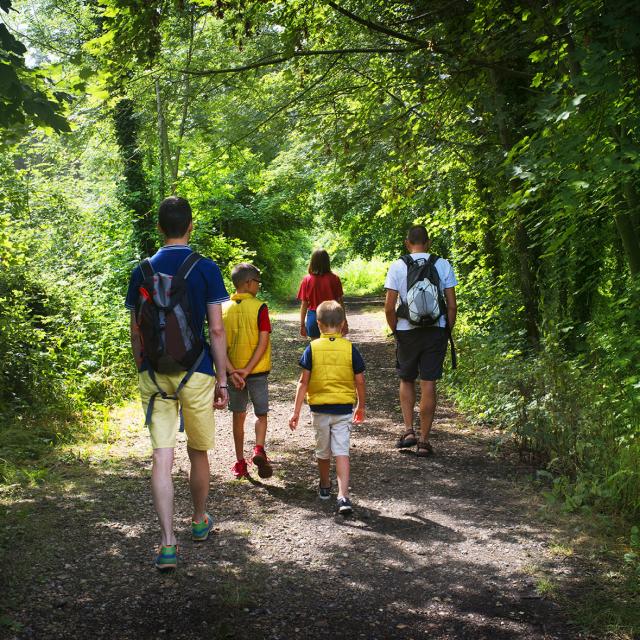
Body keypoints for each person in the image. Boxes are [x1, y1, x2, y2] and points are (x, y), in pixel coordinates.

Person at [125, 196, 229, 571]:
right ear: (190, 226)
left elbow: (137, 330)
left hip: (154, 375)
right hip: (196, 371)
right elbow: (216, 329)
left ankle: (167, 544)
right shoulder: (205, 268)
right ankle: (199, 521)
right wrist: (222, 378)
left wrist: (143, 366)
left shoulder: (141, 270)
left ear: (158, 228)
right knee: (198, 452)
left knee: (161, 457)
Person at [384, 224, 457, 457]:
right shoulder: (443, 264)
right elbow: (452, 305)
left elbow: (389, 306)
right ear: (429, 242)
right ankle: (424, 441)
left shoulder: (398, 266)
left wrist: (396, 329)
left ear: (407, 243)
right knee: (429, 382)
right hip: (436, 331)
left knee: (406, 379)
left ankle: (408, 431)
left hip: (407, 330)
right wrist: (446, 330)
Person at [289, 300, 366, 515]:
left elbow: (303, 382)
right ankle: (343, 496)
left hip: (320, 409)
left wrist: (295, 412)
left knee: (323, 451)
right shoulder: (350, 349)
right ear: (343, 324)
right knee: (342, 452)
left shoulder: (312, 348)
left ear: (319, 324)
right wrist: (361, 405)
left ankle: (325, 485)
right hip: (343, 409)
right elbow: (359, 381)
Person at [222, 263, 273, 480]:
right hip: (257, 372)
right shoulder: (260, 307)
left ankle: (240, 462)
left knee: (238, 415)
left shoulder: (222, 308)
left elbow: (218, 343)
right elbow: (263, 342)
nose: (258, 287)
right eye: (258, 282)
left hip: (232, 374)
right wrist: (247, 370)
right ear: (249, 283)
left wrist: (233, 372)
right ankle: (259, 449)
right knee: (260, 413)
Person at [297, 249, 347, 339]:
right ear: (327, 262)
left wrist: (302, 325)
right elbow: (340, 302)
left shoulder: (307, 280)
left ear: (312, 262)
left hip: (314, 317)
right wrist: (344, 321)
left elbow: (304, 304)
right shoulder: (335, 279)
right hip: (333, 317)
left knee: (316, 348)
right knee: (332, 347)